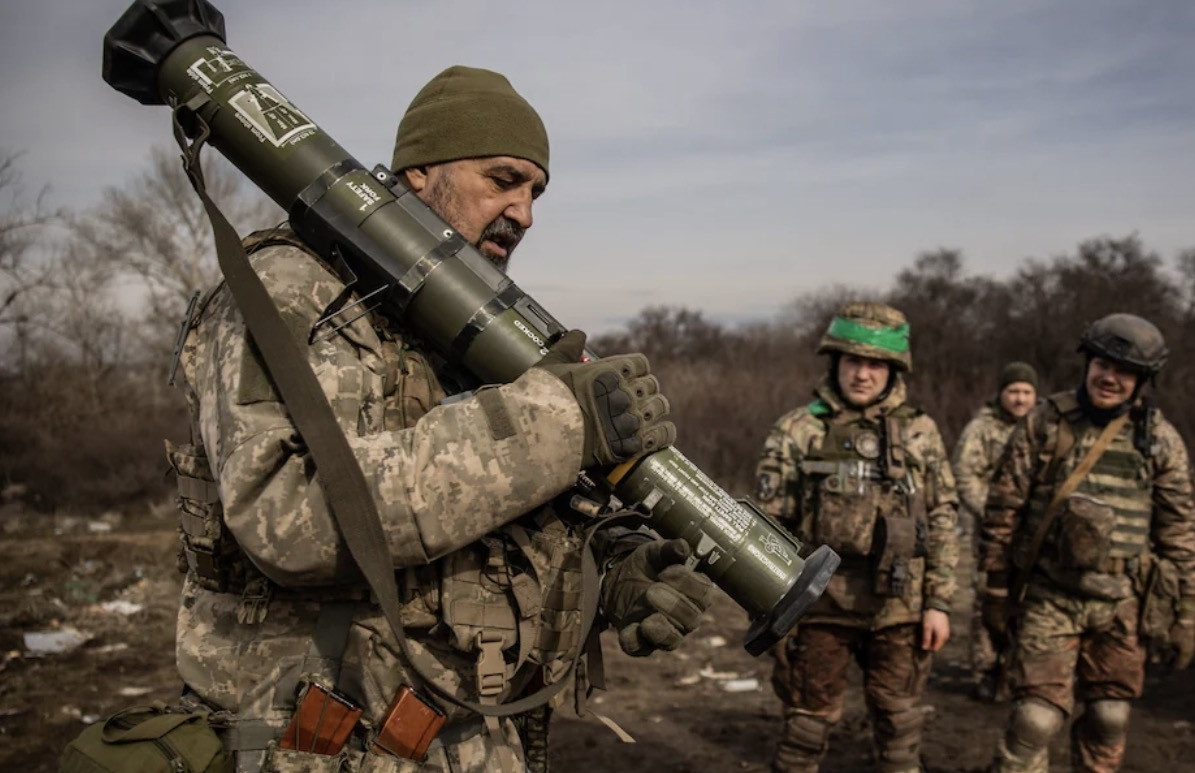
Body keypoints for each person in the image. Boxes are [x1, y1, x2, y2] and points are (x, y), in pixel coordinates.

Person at [166, 65, 715, 773]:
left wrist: (608, 573)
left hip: (469, 742)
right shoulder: (293, 288)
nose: (524, 213)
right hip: (315, 748)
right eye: (503, 180)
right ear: (420, 172)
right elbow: (287, 517)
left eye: (535, 191)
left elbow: (487, 525)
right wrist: (555, 422)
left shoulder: (465, 328)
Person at [980, 314, 1195, 773]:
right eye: (1103, 365)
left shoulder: (1159, 441)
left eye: (1124, 372)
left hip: (1122, 603)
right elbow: (1003, 510)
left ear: (1142, 381)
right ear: (1088, 364)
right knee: (1035, 719)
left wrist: (1187, 614)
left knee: (1109, 716)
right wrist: (996, 588)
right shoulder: (1045, 422)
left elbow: (1179, 533)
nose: (1109, 378)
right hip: (1050, 595)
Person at [755, 302, 959, 773]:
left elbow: (942, 518)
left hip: (900, 607)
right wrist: (770, 604)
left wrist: (939, 603)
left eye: (875, 364)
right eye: (853, 361)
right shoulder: (799, 429)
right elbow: (769, 524)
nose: (862, 374)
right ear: (835, 363)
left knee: (899, 726)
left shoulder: (920, 431)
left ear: (893, 370)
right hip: (818, 605)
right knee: (806, 726)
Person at [952, 361, 1039, 700]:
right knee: (987, 596)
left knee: (1032, 599)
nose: (1020, 399)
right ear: (1001, 393)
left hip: (1033, 532)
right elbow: (964, 474)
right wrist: (992, 513)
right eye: (1013, 391)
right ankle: (987, 670)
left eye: (1027, 392)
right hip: (991, 532)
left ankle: (1021, 670)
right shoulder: (983, 429)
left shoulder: (1044, 427)